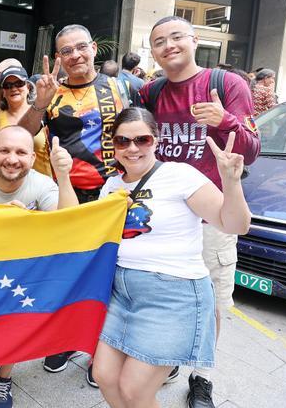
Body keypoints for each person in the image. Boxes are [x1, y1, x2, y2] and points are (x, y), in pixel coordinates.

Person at [92, 107, 251, 408]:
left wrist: (232, 181)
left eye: (142, 139)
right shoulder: (111, 185)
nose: (132, 148)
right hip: (121, 293)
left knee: (135, 389)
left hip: (172, 295)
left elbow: (236, 225)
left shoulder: (180, 175)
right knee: (105, 376)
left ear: (156, 139)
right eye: (123, 141)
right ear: (113, 143)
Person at [141, 15, 260, 408]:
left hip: (212, 213)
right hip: (164, 215)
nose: (169, 45)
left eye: (177, 37)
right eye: (160, 41)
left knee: (209, 301)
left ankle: (202, 376)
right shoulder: (151, 92)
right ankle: (173, 358)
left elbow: (252, 149)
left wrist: (225, 120)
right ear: (153, 51)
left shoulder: (225, 84)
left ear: (194, 40)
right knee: (169, 293)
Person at [18, 24, 136, 375]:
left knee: (110, 272)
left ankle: (104, 350)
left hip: (111, 196)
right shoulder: (50, 91)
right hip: (64, 195)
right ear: (58, 58)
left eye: (80, 48)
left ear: (94, 47)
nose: (75, 56)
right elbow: (22, 135)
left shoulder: (121, 87)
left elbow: (141, 135)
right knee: (69, 270)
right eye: (66, 51)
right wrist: (39, 102)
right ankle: (68, 340)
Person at [0, 125, 77, 408]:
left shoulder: (43, 184)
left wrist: (63, 176)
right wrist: (2, 223)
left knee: (20, 322)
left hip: (23, 275)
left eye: (21, 152)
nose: (12, 158)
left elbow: (70, 224)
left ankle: (3, 378)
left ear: (33, 158)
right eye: (5, 150)